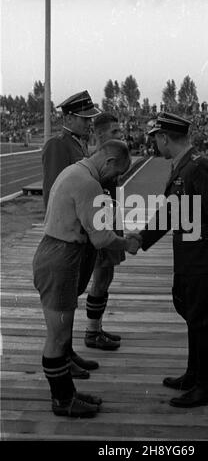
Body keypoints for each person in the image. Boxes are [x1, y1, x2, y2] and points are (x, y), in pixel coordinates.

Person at [132, 112, 208, 408]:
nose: (155, 143)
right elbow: (172, 212)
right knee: (193, 317)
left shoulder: (199, 168)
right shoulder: (184, 166)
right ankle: (194, 374)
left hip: (205, 261)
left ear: (164, 137)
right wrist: (141, 239)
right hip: (189, 258)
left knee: (202, 322)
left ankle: (207, 388)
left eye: (155, 137)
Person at [33, 139, 140, 417]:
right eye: (117, 173)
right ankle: (62, 401)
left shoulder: (73, 171)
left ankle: (68, 393)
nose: (114, 179)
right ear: (109, 162)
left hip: (54, 251)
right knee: (58, 335)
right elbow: (102, 237)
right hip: (61, 257)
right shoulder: (89, 184)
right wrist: (126, 243)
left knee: (62, 332)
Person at [42, 90, 100, 379]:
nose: (89, 123)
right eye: (83, 118)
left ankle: (68, 351)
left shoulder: (79, 144)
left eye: (90, 118)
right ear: (67, 118)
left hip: (82, 233)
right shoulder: (58, 145)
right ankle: (63, 353)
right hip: (68, 235)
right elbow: (54, 191)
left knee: (72, 295)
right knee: (65, 298)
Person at [84, 113, 125, 351]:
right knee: (100, 277)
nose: (120, 136)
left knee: (107, 276)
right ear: (99, 135)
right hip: (101, 223)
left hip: (112, 217)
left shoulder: (112, 157)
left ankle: (97, 327)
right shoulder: (94, 162)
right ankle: (91, 332)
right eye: (114, 133)